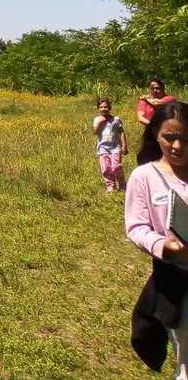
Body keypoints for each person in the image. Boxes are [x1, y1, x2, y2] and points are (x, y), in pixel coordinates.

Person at [125, 101, 188, 376]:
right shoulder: (144, 177)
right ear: (155, 135)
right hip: (176, 279)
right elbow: (137, 227)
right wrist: (165, 246)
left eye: (185, 139)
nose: (177, 146)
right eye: (169, 137)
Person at [94, 97, 128, 193]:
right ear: (98, 108)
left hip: (115, 147)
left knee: (116, 166)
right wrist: (100, 123)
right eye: (101, 107)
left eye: (105, 107)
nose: (103, 109)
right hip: (103, 148)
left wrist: (124, 146)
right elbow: (95, 132)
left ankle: (122, 184)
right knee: (105, 168)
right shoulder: (97, 119)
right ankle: (110, 186)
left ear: (109, 108)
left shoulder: (116, 119)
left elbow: (121, 132)